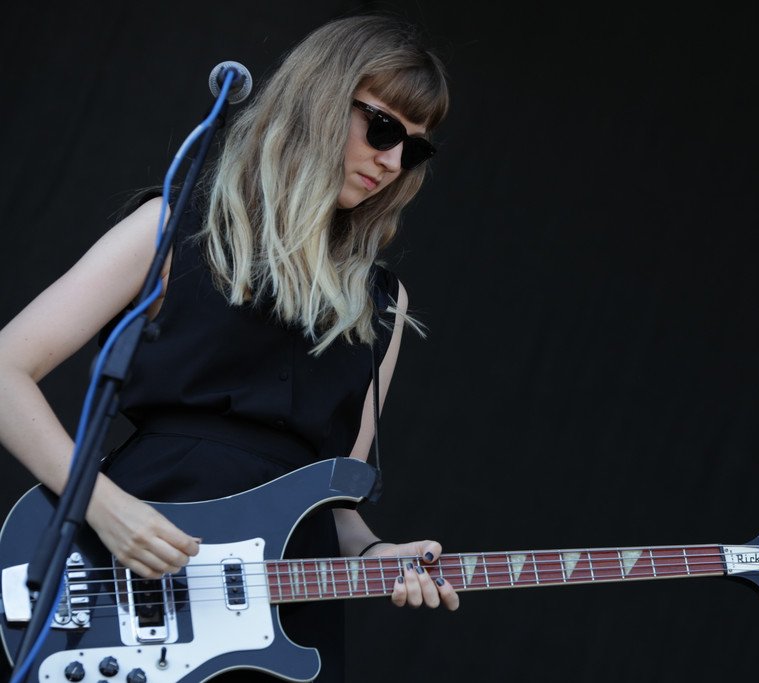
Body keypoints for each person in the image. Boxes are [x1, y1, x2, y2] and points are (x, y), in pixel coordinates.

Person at [0, 12, 457, 681]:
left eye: (413, 150)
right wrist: (98, 504)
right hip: (139, 581)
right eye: (383, 128)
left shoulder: (382, 301)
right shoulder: (173, 227)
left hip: (281, 623)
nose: (391, 161)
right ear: (319, 100)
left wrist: (372, 554)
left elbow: (335, 499)